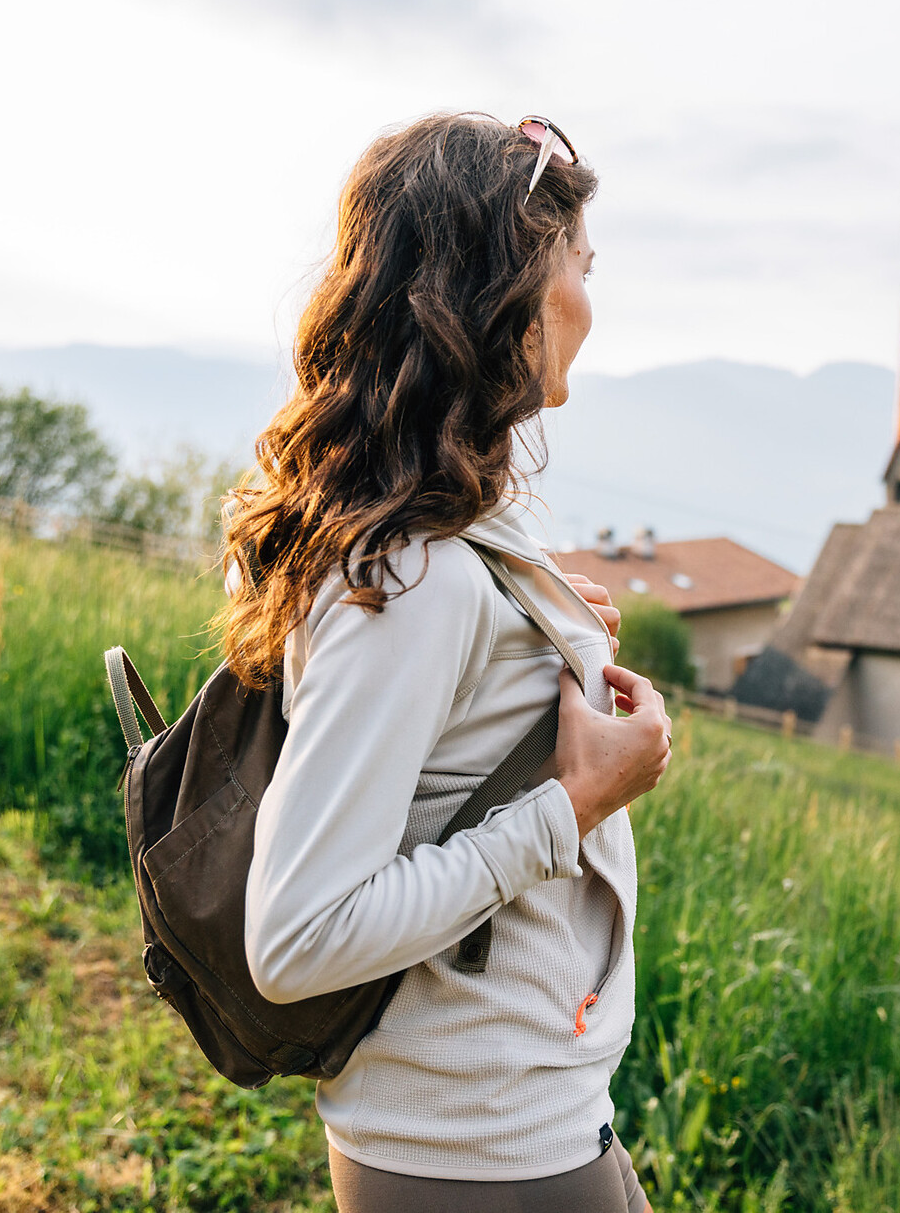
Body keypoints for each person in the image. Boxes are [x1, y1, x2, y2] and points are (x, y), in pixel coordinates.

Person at [221, 113, 671, 1212]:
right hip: (477, 1148)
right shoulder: (415, 576)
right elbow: (300, 937)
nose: (589, 301)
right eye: (579, 265)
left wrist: (544, 614)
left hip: (510, 1119)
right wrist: (574, 806)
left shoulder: (418, 527)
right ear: (509, 290)